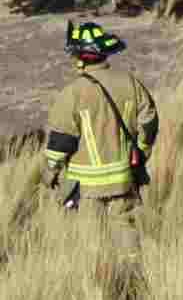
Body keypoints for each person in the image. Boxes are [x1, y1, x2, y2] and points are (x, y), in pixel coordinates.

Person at [44, 20, 157, 251]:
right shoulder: (131, 83)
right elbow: (149, 122)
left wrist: (50, 172)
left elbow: (60, 143)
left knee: (92, 243)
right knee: (126, 235)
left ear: (78, 57)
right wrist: (142, 151)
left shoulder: (72, 93)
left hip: (86, 188)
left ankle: (101, 282)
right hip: (124, 179)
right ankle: (133, 280)